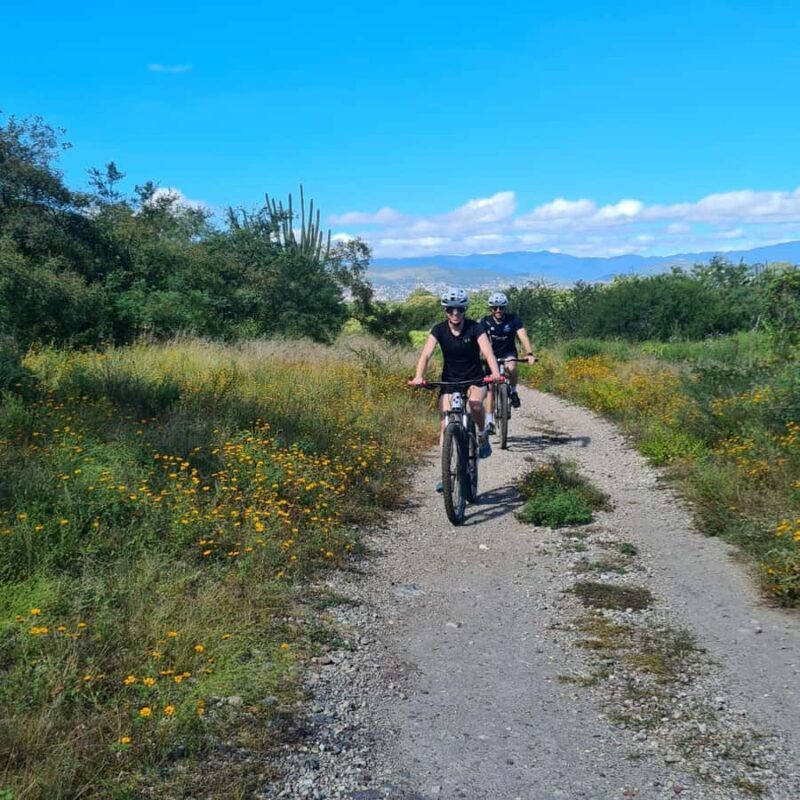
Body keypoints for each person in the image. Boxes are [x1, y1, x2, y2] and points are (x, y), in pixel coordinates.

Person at [410, 288, 501, 489]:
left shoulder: (475, 328)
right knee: (445, 423)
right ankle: (445, 474)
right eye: (451, 310)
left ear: (464, 310)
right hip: (450, 380)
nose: (455, 314)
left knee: (476, 403)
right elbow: (425, 355)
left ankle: (481, 434)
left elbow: (488, 353)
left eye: (460, 309)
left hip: (475, 378)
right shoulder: (438, 330)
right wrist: (418, 377)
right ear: (445, 311)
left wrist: (494, 373)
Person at [480, 292, 537, 434]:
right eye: (495, 308)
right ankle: (489, 421)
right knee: (491, 388)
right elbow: (480, 340)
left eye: (501, 307)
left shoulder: (513, 320)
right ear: (491, 309)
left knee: (511, 366)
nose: (498, 310)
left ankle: (513, 391)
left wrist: (529, 353)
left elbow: (523, 336)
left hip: (508, 353)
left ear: (505, 307)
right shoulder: (485, 321)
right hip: (491, 356)